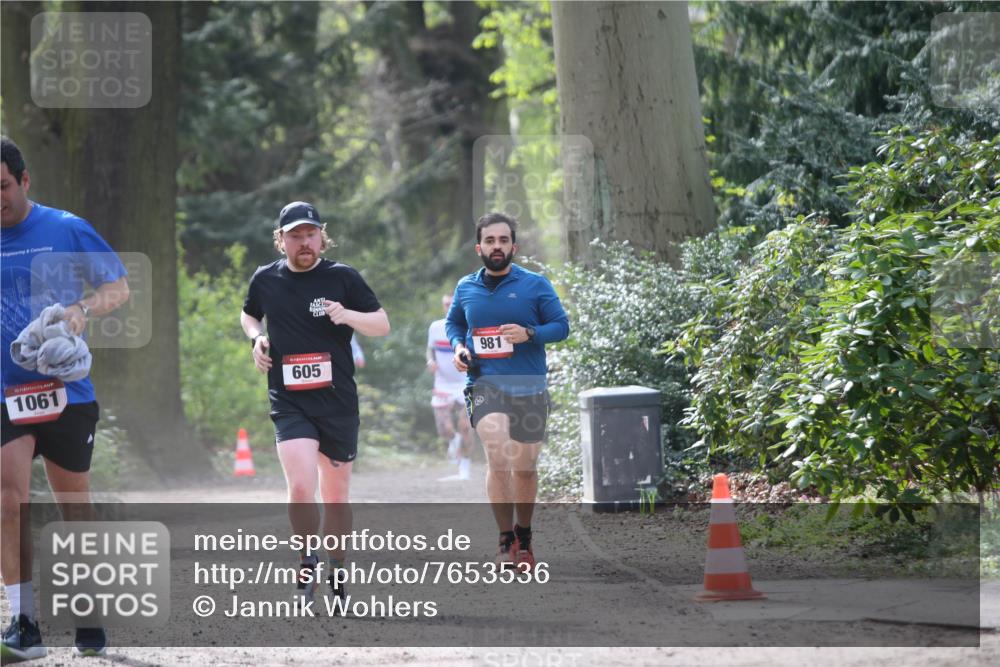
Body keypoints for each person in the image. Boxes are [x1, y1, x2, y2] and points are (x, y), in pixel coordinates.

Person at [1, 137, 130, 660]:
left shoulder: (66, 228)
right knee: (8, 500)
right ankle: (24, 622)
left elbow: (118, 287)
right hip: (4, 393)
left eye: (2, 187)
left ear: (24, 180)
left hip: (65, 393)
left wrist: (81, 310)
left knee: (73, 504)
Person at [240, 201, 389, 608]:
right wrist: (257, 338)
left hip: (337, 401)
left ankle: (337, 568)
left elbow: (382, 324)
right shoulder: (266, 279)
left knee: (336, 497)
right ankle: (307, 560)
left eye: (311, 234)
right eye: (295, 236)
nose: (304, 242)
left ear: (322, 236)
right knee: (302, 486)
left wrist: (348, 315)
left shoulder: (343, 277)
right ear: (281, 240)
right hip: (289, 399)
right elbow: (249, 315)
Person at [446, 212, 568, 570]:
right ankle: (504, 539)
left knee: (525, 467)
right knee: (498, 454)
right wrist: (458, 348)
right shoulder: (466, 287)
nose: (496, 246)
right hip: (484, 383)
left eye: (503, 240)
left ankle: (524, 536)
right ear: (479, 248)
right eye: (490, 241)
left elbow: (561, 326)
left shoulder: (535, 285)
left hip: (529, 386)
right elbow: (454, 323)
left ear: (513, 246)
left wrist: (530, 333)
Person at [426, 294, 472, 481]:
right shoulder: (435, 327)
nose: (449, 307)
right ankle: (454, 441)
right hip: (443, 383)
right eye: (446, 304)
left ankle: (464, 470)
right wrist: (430, 361)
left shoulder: (469, 327)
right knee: (444, 428)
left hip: (466, 382)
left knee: (465, 426)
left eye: (453, 304)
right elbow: (430, 349)